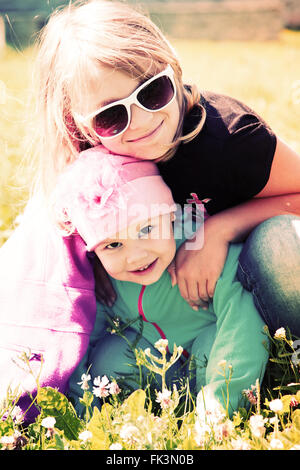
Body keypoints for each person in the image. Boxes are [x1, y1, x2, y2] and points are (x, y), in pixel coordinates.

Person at [0, 0, 298, 421]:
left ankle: (289, 348)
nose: (139, 121)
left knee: (282, 243)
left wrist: (219, 230)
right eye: (110, 117)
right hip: (168, 318)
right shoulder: (88, 163)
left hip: (244, 267)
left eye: (152, 91)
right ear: (79, 125)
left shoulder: (232, 138)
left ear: (171, 67)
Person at [53, 145, 269, 417]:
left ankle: (212, 406)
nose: (136, 257)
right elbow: (80, 339)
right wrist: (84, 405)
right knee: (109, 359)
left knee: (215, 347)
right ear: (93, 251)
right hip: (159, 365)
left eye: (146, 229)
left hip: (211, 352)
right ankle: (163, 404)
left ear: (171, 215)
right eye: (114, 244)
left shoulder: (203, 253)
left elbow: (241, 320)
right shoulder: (106, 282)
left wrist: (220, 399)